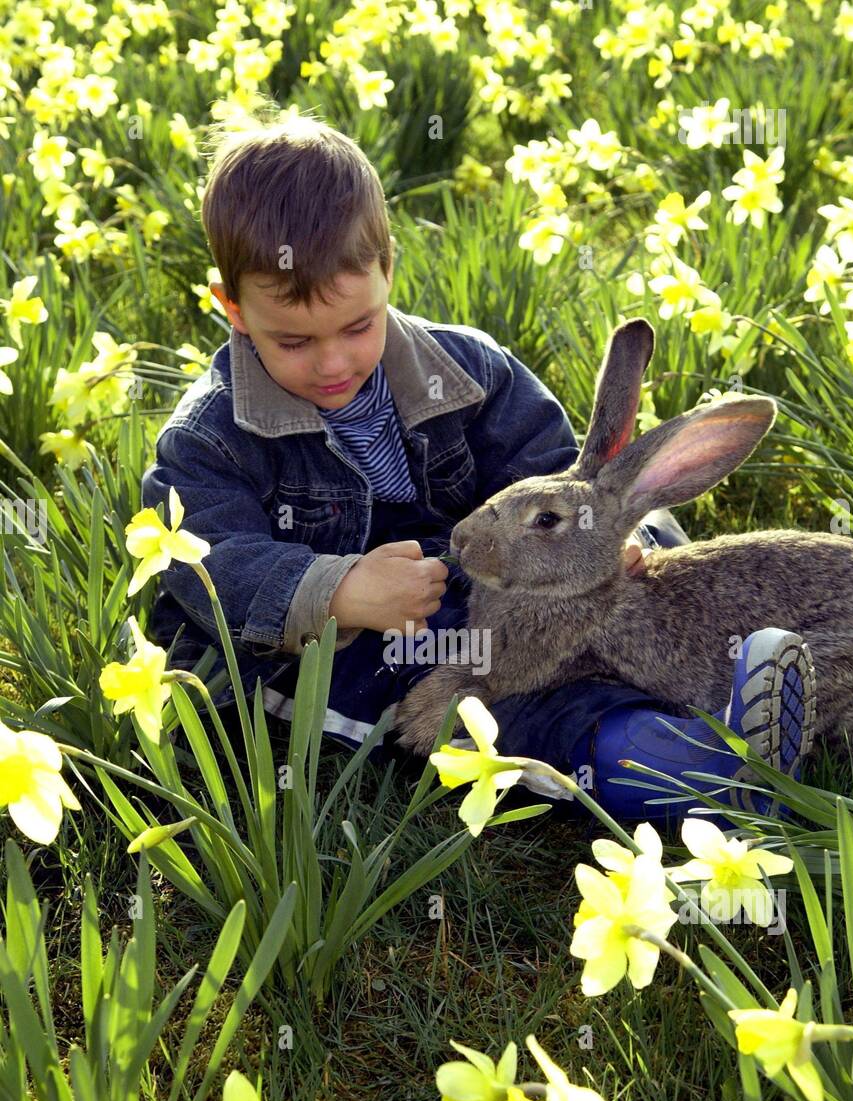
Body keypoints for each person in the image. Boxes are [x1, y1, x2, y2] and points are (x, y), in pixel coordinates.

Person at [140, 108, 814, 826]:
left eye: (357, 326)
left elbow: (564, 477)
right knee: (480, 706)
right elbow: (208, 564)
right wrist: (337, 592)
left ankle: (728, 710)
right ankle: (674, 764)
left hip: (485, 583)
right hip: (336, 636)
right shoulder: (209, 437)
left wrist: (628, 545)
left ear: (387, 270)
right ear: (232, 308)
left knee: (582, 638)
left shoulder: (468, 369)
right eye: (295, 340)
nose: (332, 362)